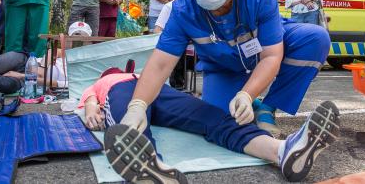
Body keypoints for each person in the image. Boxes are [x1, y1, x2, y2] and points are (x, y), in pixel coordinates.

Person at [118, 0, 331, 138]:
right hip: (222, 66)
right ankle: (249, 101)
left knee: (315, 38)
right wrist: (137, 105)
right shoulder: (182, 9)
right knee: (220, 119)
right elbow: (160, 64)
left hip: (261, 53)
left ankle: (266, 107)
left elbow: (272, 55)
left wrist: (246, 94)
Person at [78, 72, 339, 183]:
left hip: (156, 87)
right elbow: (90, 99)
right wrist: (92, 109)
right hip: (130, 91)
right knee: (133, 120)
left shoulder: (135, 74)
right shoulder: (106, 81)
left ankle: (283, 151)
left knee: (211, 115)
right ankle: (149, 167)